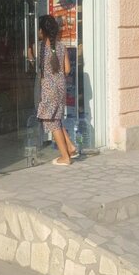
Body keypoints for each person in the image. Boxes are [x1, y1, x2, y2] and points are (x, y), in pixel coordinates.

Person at [36, 14, 78, 167]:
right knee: (56, 117)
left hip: (48, 88)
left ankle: (65, 157)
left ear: (42, 31)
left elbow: (34, 62)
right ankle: (70, 146)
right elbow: (67, 69)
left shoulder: (41, 47)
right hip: (60, 87)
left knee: (51, 121)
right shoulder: (61, 46)